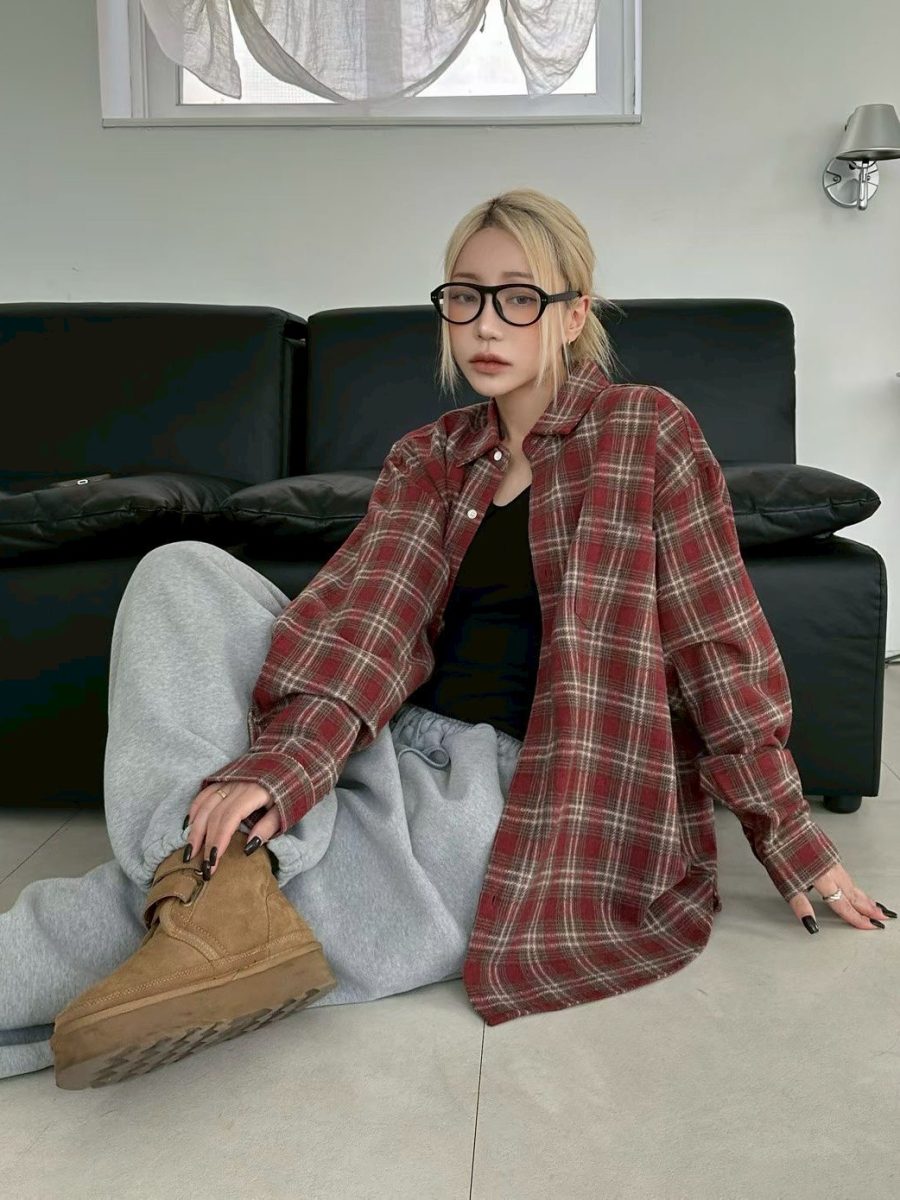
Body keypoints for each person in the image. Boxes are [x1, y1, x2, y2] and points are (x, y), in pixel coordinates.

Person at [1, 188, 892, 1089]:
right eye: (465, 296)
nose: (485, 324)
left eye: (519, 297)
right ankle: (205, 883)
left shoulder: (647, 433)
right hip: (385, 746)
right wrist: (283, 766)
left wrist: (790, 839)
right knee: (180, 571)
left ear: (573, 313)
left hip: (518, 793)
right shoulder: (428, 457)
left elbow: (719, 651)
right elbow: (367, 627)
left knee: (215, 912)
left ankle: (198, 893)